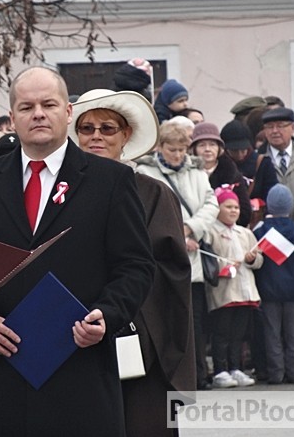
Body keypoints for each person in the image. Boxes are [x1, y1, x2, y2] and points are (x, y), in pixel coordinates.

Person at [0, 67, 155, 437]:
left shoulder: (110, 180)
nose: (38, 113)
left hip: (84, 369)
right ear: (13, 118)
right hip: (7, 371)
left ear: (69, 112)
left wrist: (106, 315)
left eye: (48, 104)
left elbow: (136, 266)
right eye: (26, 107)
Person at [72, 88, 194, 437]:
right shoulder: (61, 191)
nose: (96, 136)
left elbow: (170, 268)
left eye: (107, 128)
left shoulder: (153, 192)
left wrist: (121, 306)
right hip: (72, 338)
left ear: (126, 135)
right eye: (87, 128)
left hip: (139, 342)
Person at [136, 120, 219, 390]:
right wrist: (175, 234)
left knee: (194, 319)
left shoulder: (196, 172)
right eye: (172, 149)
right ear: (160, 147)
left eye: (182, 150)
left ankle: (199, 375)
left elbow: (211, 203)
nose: (178, 155)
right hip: (163, 253)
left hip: (192, 254)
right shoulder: (146, 172)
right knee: (169, 316)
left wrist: (191, 229)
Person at [253, 184, 294, 384]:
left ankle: (276, 374)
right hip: (293, 292)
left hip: (268, 291)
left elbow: (256, 263)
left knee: (272, 333)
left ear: (269, 206)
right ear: (290, 206)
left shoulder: (261, 232)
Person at [205, 186, 263, 388]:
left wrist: (252, 259)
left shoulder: (245, 232)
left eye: (236, 207)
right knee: (221, 334)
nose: (233, 211)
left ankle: (236, 368)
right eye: (228, 206)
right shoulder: (210, 231)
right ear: (218, 208)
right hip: (223, 292)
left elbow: (259, 260)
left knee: (239, 334)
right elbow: (208, 261)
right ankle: (220, 370)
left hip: (245, 290)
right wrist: (225, 266)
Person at [190, 122, 252, 227]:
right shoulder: (188, 173)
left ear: (219, 148)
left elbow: (245, 213)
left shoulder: (232, 174)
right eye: (202, 145)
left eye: (212, 144)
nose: (207, 149)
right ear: (194, 149)